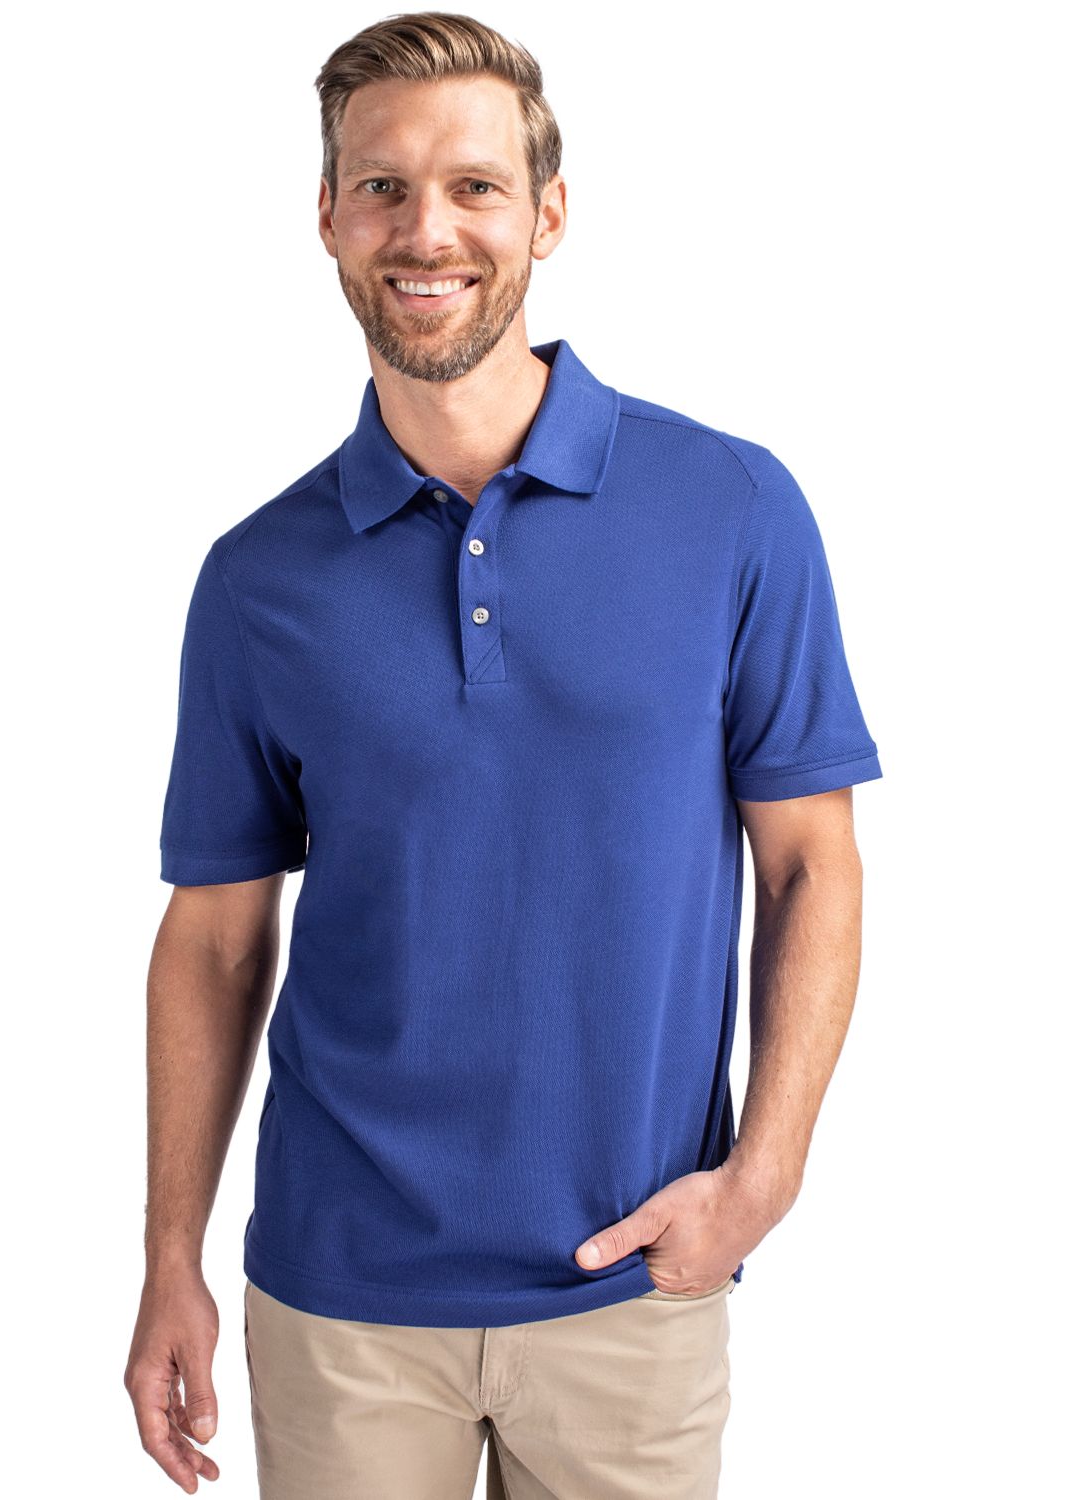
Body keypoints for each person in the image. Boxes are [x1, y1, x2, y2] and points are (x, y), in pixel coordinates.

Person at [123, 12, 883, 1498]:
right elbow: (212, 938)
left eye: (474, 186)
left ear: (547, 213)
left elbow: (812, 863)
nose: (428, 231)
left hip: (632, 1284)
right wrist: (168, 1257)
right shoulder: (257, 578)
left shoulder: (732, 507)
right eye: (383, 187)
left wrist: (766, 1177)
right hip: (337, 1300)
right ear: (329, 217)